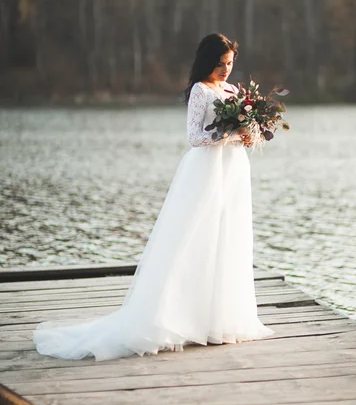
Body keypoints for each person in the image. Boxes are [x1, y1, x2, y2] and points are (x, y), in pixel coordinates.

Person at [33, 33, 275, 361]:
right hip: (205, 171)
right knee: (194, 238)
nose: (225, 70)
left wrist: (249, 135)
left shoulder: (233, 91)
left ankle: (221, 321)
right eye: (219, 64)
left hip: (233, 171)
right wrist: (232, 132)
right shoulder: (200, 92)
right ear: (206, 62)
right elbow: (194, 137)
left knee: (227, 238)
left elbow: (240, 135)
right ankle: (178, 318)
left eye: (229, 64)